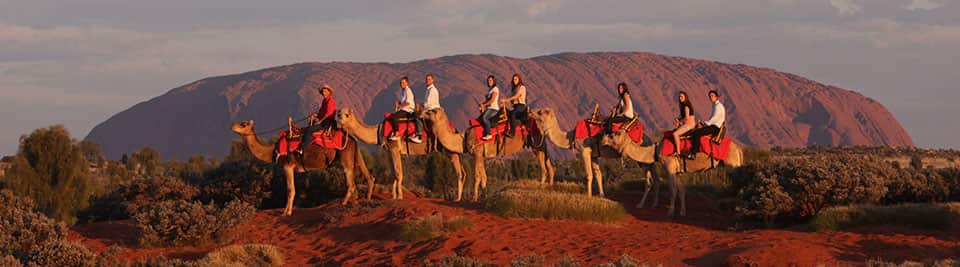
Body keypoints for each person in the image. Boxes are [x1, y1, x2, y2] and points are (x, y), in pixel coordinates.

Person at [686, 90, 726, 156]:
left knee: (697, 133)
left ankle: (694, 152)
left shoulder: (718, 106)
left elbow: (714, 119)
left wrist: (704, 124)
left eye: (712, 96)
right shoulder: (715, 106)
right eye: (710, 96)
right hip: (712, 126)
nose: (711, 97)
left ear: (716, 97)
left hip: (715, 127)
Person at [299, 85, 337, 152]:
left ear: (329, 92)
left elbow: (328, 114)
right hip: (323, 121)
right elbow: (321, 113)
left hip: (327, 123)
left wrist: (320, 121)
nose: (323, 93)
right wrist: (315, 115)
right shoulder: (324, 101)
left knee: (308, 130)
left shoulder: (330, 101)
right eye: (322, 92)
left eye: (325, 91)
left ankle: (303, 148)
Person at [389, 77, 423, 143]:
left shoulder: (408, 91)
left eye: (403, 82)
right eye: (401, 83)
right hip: (403, 109)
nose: (402, 84)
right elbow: (403, 101)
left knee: (394, 117)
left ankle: (396, 133)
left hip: (408, 110)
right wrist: (399, 103)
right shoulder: (403, 91)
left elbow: (408, 103)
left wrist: (399, 106)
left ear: (407, 83)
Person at [500, 73, 528, 137]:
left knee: (512, 114)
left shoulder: (522, 87)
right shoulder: (514, 89)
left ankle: (512, 133)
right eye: (513, 79)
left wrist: (506, 100)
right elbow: (513, 100)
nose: (514, 80)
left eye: (516, 79)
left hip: (521, 106)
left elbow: (516, 96)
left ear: (519, 80)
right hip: (515, 106)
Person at [672, 91, 696, 157]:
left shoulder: (686, 106)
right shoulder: (682, 105)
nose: (680, 98)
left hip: (689, 125)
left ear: (685, 97)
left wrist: (679, 122)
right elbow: (682, 116)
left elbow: (687, 117)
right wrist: (677, 119)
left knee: (675, 134)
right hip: (686, 124)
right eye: (679, 96)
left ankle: (678, 151)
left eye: (682, 96)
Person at [478, 75, 501, 141]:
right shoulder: (490, 90)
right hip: (488, 108)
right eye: (488, 80)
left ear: (494, 81)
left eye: (490, 80)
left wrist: (484, 105)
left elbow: (492, 100)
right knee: (479, 120)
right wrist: (482, 104)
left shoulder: (495, 89)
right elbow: (487, 101)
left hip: (493, 109)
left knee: (484, 118)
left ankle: (489, 134)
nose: (489, 82)